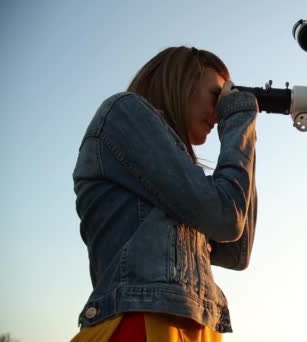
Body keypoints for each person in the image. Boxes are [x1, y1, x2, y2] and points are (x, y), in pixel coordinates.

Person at [71, 46, 258, 341]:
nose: (219, 112)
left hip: (198, 328)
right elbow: (226, 217)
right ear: (182, 82)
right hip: (139, 323)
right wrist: (237, 123)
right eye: (216, 96)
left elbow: (238, 252)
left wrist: (245, 139)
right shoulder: (123, 112)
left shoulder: (181, 180)